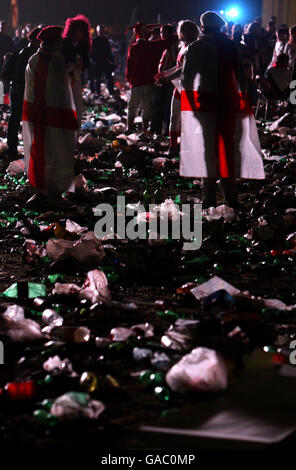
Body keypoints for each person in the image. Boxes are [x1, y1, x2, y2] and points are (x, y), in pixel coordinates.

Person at [180, 11, 265, 208]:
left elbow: (187, 80)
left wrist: (192, 107)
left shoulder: (196, 46)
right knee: (228, 150)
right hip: (229, 104)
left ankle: (209, 199)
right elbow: (242, 77)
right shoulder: (230, 45)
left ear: (202, 27)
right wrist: (243, 100)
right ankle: (231, 197)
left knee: (208, 152)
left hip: (206, 105)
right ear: (220, 27)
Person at [22, 26, 78, 205]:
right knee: (54, 152)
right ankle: (48, 192)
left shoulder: (34, 60)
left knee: (44, 152)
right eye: (59, 40)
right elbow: (62, 90)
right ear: (54, 43)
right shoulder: (54, 62)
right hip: (51, 116)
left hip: (39, 114)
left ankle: (45, 190)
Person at [125, 22, 177, 134]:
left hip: (136, 82)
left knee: (133, 105)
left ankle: (129, 127)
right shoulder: (153, 46)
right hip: (149, 81)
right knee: (147, 106)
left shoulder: (133, 48)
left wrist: (129, 80)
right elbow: (171, 39)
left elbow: (128, 67)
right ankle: (144, 129)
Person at [6, 27, 42, 162]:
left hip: (15, 90)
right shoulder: (34, 54)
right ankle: (30, 149)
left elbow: (9, 73)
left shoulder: (21, 51)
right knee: (30, 120)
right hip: (25, 91)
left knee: (14, 118)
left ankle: (12, 149)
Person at [62, 14, 92, 130]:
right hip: (65, 79)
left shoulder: (83, 46)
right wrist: (70, 64)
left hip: (77, 79)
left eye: (82, 32)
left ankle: (76, 135)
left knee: (78, 107)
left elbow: (87, 63)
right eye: (78, 31)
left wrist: (81, 65)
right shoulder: (64, 44)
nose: (81, 34)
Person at [151, 24, 179, 137]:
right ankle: (158, 130)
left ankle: (163, 130)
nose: (161, 34)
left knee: (164, 106)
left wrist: (166, 78)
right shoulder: (166, 45)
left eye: (163, 32)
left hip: (167, 82)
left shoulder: (172, 46)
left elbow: (173, 64)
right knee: (161, 106)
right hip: (164, 80)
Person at [92, 24, 115, 96]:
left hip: (103, 62)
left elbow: (108, 51)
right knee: (99, 78)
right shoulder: (97, 40)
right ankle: (99, 93)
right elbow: (93, 52)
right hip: (99, 62)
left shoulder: (103, 40)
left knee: (107, 78)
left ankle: (109, 91)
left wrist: (112, 60)